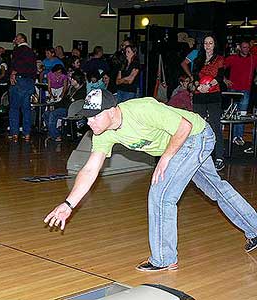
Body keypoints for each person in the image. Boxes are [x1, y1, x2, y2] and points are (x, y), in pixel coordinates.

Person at [44, 89, 257, 272]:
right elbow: (90, 169)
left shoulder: (142, 109)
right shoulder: (103, 133)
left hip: (196, 136)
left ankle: (164, 259)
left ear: (111, 111)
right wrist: (68, 204)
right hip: (181, 144)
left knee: (161, 194)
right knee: (215, 189)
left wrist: (165, 158)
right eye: (87, 118)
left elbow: (184, 127)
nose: (89, 123)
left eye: (94, 117)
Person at [192, 35, 225, 171]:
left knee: (215, 125)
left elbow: (220, 76)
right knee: (198, 125)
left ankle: (219, 157)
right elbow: (194, 76)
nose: (208, 45)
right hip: (199, 95)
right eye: (206, 43)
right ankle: (197, 156)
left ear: (214, 45)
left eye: (210, 43)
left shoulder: (219, 59)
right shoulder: (198, 58)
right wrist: (198, 86)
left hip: (213, 95)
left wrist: (208, 86)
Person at [224, 41, 257, 148]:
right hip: (233, 90)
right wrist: (225, 80)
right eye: (244, 47)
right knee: (235, 115)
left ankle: (239, 136)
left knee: (242, 115)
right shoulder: (233, 58)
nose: (246, 49)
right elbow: (219, 68)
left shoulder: (253, 58)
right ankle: (234, 136)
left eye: (247, 47)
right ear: (240, 48)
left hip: (246, 90)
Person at [43, 70, 86, 142]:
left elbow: (70, 104)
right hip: (65, 108)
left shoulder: (82, 91)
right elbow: (63, 101)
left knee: (53, 114)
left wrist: (55, 107)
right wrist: (54, 105)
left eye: (73, 79)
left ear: (78, 80)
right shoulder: (71, 88)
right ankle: (54, 133)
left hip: (72, 110)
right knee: (46, 114)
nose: (71, 80)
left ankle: (55, 136)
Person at [9, 33, 37, 142]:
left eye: (16, 38)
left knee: (14, 108)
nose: (14, 40)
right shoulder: (31, 52)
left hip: (19, 81)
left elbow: (17, 64)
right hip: (29, 82)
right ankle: (27, 133)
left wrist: (13, 73)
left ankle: (15, 133)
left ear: (21, 39)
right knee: (26, 109)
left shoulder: (19, 50)